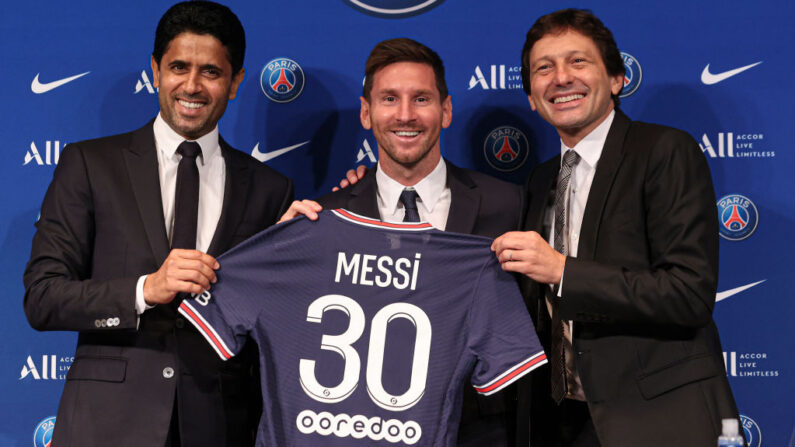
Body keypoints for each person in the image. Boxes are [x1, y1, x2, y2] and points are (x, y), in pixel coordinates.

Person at [23, 2, 293, 446]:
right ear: (155, 70)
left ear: (236, 81)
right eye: (178, 67)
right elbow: (43, 298)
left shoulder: (270, 189)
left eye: (211, 72)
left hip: (219, 426)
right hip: (107, 427)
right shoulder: (90, 165)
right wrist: (145, 289)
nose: (192, 86)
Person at [490, 8, 742, 446]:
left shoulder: (664, 151)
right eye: (543, 68)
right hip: (562, 420)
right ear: (531, 96)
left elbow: (688, 294)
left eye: (578, 62)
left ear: (617, 79)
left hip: (656, 418)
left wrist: (562, 271)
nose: (561, 78)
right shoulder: (539, 178)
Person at [281, 38, 522, 446]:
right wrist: (284, 253)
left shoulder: (509, 203)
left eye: (422, 98)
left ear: (445, 111)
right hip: (359, 428)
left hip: (478, 430)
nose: (406, 115)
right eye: (389, 99)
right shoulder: (325, 217)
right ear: (366, 112)